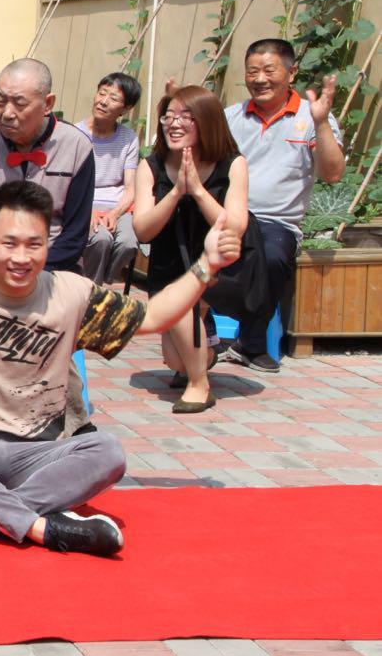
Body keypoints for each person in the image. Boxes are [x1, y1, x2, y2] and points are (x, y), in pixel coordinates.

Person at [0, 180, 242, 557]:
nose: (21, 257)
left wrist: (207, 265)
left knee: (107, 452)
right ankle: (43, 527)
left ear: (48, 242)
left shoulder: (70, 292)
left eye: (34, 244)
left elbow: (152, 316)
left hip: (40, 453)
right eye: (9, 243)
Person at [219, 38, 346, 371]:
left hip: (276, 222)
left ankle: (251, 342)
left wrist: (321, 123)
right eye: (252, 71)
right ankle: (201, 338)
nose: (259, 79)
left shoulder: (312, 117)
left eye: (269, 70)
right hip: (226, 215)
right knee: (187, 246)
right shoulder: (230, 117)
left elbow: (333, 174)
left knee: (272, 256)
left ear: (291, 73)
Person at [132, 85, 253, 412]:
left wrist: (198, 190)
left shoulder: (233, 164)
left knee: (184, 303)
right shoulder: (151, 166)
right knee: (176, 361)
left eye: (186, 117)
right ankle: (205, 353)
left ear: (207, 121)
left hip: (221, 267)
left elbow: (234, 227)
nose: (174, 123)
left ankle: (200, 386)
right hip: (169, 266)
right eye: (168, 116)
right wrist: (175, 193)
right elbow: (143, 230)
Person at [0, 58, 94, 273]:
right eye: (1, 100)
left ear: (48, 104)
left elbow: (75, 234)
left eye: (20, 103)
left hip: (53, 268)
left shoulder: (78, 147)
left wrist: (33, 276)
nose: (7, 113)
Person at [77, 73, 142, 285]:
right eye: (102, 93)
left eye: (113, 98)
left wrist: (115, 213)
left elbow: (130, 187)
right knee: (101, 239)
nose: (103, 101)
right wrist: (87, 210)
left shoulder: (128, 138)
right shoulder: (76, 134)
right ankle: (91, 289)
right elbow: (69, 184)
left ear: (126, 109)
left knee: (128, 243)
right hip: (84, 202)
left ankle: (103, 279)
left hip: (118, 205)